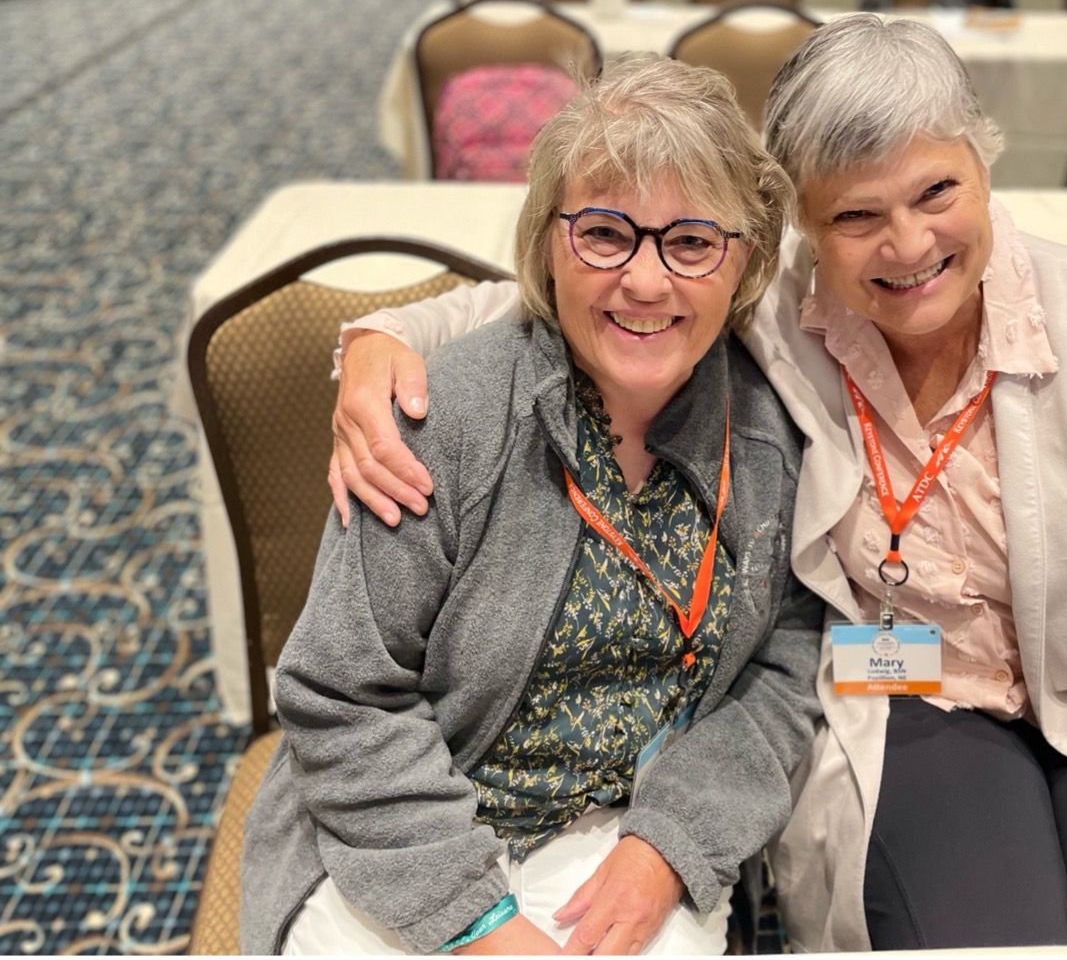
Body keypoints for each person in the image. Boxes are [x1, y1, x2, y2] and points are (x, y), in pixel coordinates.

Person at [326, 16, 1067, 950]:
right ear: (798, 224)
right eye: (857, 215)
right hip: (917, 704)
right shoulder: (777, 308)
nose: (908, 245)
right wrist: (382, 340)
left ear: (984, 161)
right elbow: (583, 289)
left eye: (935, 192)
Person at [238, 56, 823, 956]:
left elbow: (781, 670)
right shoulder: (446, 419)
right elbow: (339, 692)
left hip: (622, 830)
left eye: (692, 242)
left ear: (742, 261)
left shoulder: (768, 438)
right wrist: (473, 918)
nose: (646, 280)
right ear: (548, 241)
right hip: (407, 821)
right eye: (604, 234)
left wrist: (672, 843)